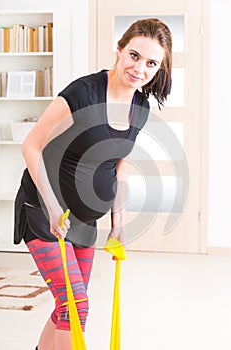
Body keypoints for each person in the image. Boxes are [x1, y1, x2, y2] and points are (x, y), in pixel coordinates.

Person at [14, 17, 172, 350]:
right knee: (76, 305)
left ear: (158, 69)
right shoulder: (83, 92)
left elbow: (120, 167)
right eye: (134, 55)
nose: (139, 68)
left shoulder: (140, 107)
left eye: (151, 63)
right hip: (46, 210)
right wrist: (55, 207)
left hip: (85, 222)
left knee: (67, 307)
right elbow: (32, 143)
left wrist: (117, 225)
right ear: (119, 51)